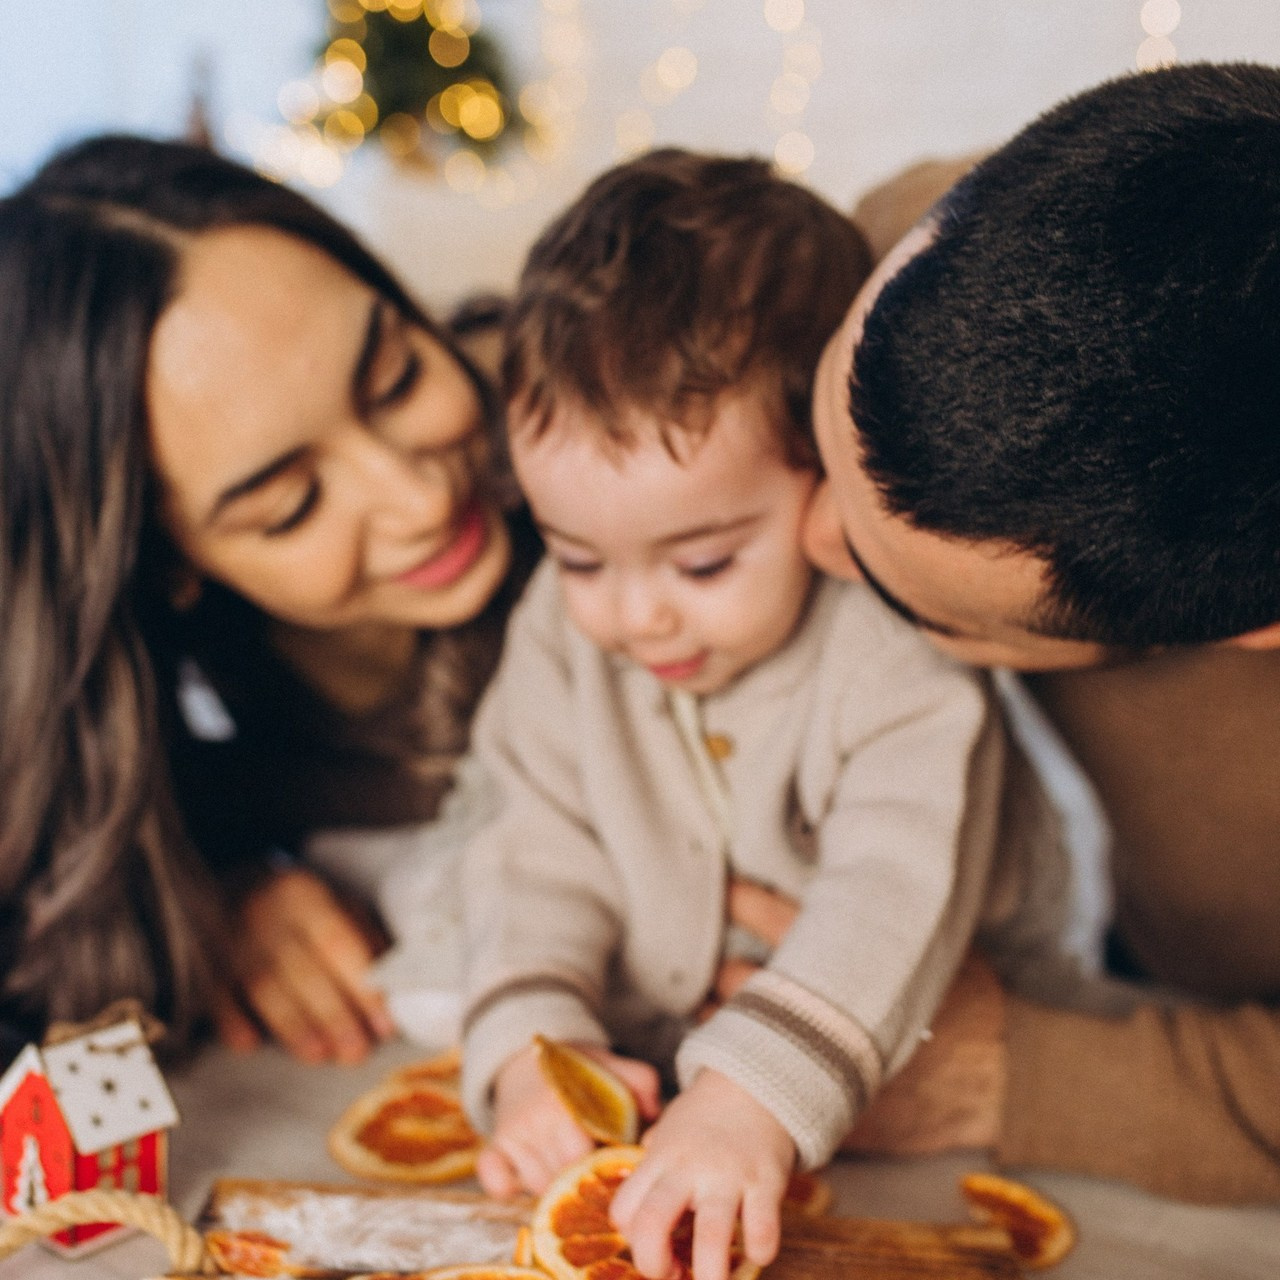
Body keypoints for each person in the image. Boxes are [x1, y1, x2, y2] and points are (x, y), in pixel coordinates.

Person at [457, 149, 1068, 1280]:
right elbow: (532, 846)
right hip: (676, 1065)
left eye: (699, 559)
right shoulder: (559, 626)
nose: (635, 615)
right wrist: (529, 1049)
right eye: (577, 552)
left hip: (928, 1055)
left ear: (822, 473)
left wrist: (746, 1099)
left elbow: (890, 884)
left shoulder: (897, 641)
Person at [802, 62, 1280, 1203]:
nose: (806, 535)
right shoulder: (913, 241)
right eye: (807, 417)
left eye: (891, 585)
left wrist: (1008, 1070)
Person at [0, 134, 537, 1064]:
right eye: (290, 507)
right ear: (164, 562)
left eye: (397, 375)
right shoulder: (159, 748)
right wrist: (218, 895)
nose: (421, 497)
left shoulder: (605, 437)